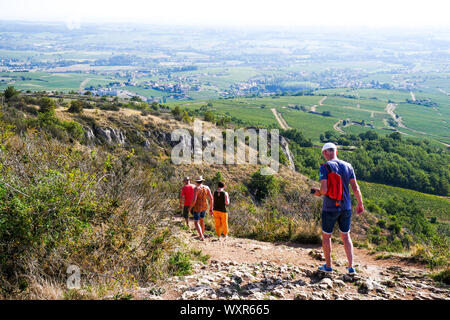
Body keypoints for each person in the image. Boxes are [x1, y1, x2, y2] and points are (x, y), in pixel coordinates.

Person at [312, 142, 364, 274]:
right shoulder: (348, 166)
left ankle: (328, 267)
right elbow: (355, 187)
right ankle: (351, 267)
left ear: (325, 153)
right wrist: (360, 203)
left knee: (327, 236)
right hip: (346, 206)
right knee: (346, 236)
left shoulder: (325, 167)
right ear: (336, 152)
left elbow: (324, 190)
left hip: (330, 208)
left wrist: (318, 192)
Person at [189, 176, 214, 241]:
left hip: (197, 206)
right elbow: (211, 198)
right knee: (202, 220)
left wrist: (190, 208)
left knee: (196, 222)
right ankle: (202, 233)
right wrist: (211, 208)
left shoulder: (196, 188)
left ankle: (201, 236)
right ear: (202, 181)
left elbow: (194, 200)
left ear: (196, 182)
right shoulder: (207, 187)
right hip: (205, 206)